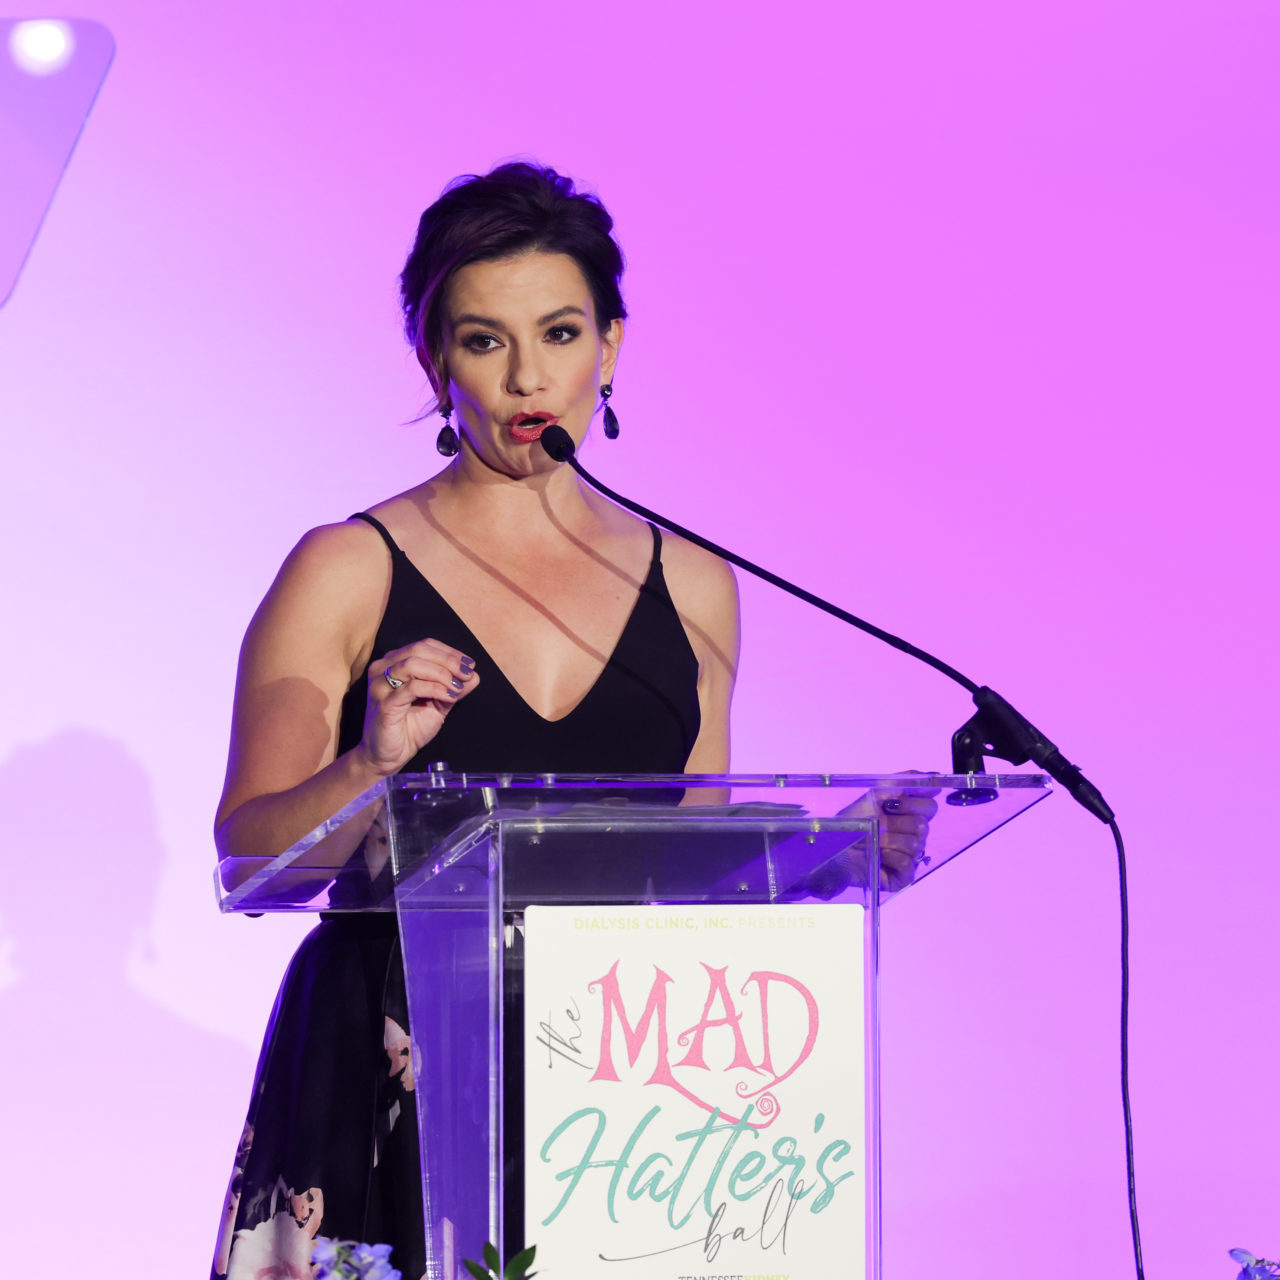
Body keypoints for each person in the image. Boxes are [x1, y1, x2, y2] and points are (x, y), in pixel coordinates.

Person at [209, 162, 933, 1280]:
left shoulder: (694, 583)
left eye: (558, 333)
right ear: (433, 359)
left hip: (621, 1085)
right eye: (483, 340)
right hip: (393, 1056)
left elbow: (687, 863)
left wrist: (833, 854)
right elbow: (251, 863)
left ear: (611, 346)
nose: (526, 377)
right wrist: (369, 762)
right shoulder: (345, 567)